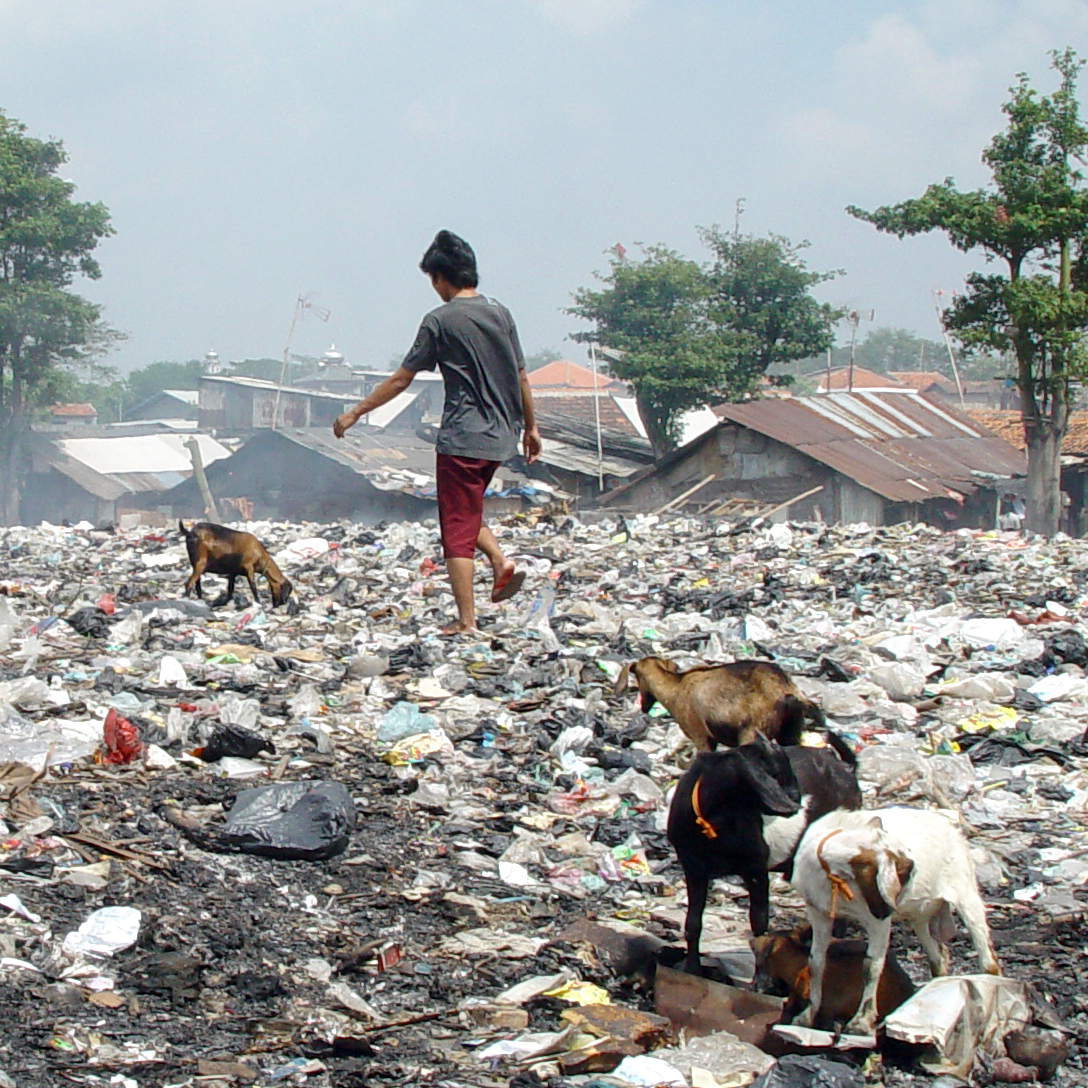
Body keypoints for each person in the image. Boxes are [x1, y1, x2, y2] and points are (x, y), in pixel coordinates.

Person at [334, 230, 542, 634]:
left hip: (463, 437)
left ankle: (467, 622)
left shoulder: (439, 321)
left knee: (455, 531)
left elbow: (400, 380)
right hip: (501, 435)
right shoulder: (501, 313)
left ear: (441, 277)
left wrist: (355, 412)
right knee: (464, 510)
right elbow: (521, 378)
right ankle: (500, 562)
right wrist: (531, 428)